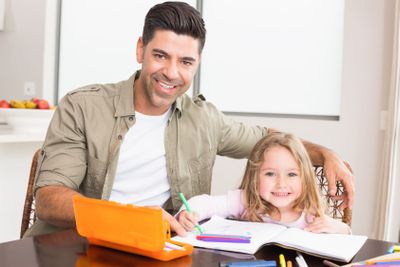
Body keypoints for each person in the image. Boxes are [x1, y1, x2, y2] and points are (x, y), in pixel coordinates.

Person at [24, 1, 353, 238]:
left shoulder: (204, 119)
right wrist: (129, 217)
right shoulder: (82, 107)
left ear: (197, 63)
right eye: (160, 56)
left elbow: (266, 140)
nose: (171, 72)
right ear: (141, 50)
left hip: (162, 249)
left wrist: (325, 154)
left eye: (185, 61)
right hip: (76, 247)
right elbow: (50, 197)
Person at [177, 132, 351, 234]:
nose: (281, 184)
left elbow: (345, 236)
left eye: (291, 174)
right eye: (270, 174)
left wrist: (340, 228)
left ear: (304, 178)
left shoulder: (311, 214)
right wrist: (188, 212)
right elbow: (207, 203)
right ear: (255, 177)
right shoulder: (246, 201)